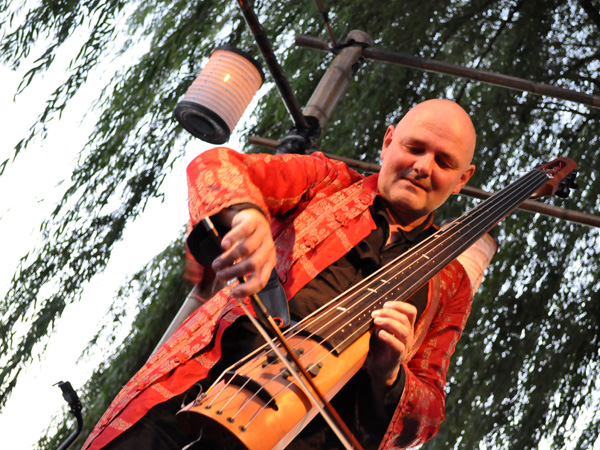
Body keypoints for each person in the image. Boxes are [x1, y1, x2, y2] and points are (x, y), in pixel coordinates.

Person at [82, 98, 476, 450]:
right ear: (389, 141)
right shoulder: (327, 182)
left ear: (462, 179)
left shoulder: (451, 283)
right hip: (193, 400)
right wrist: (246, 215)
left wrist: (389, 375)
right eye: (414, 148)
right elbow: (217, 165)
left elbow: (427, 411)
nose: (423, 167)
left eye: (444, 162)